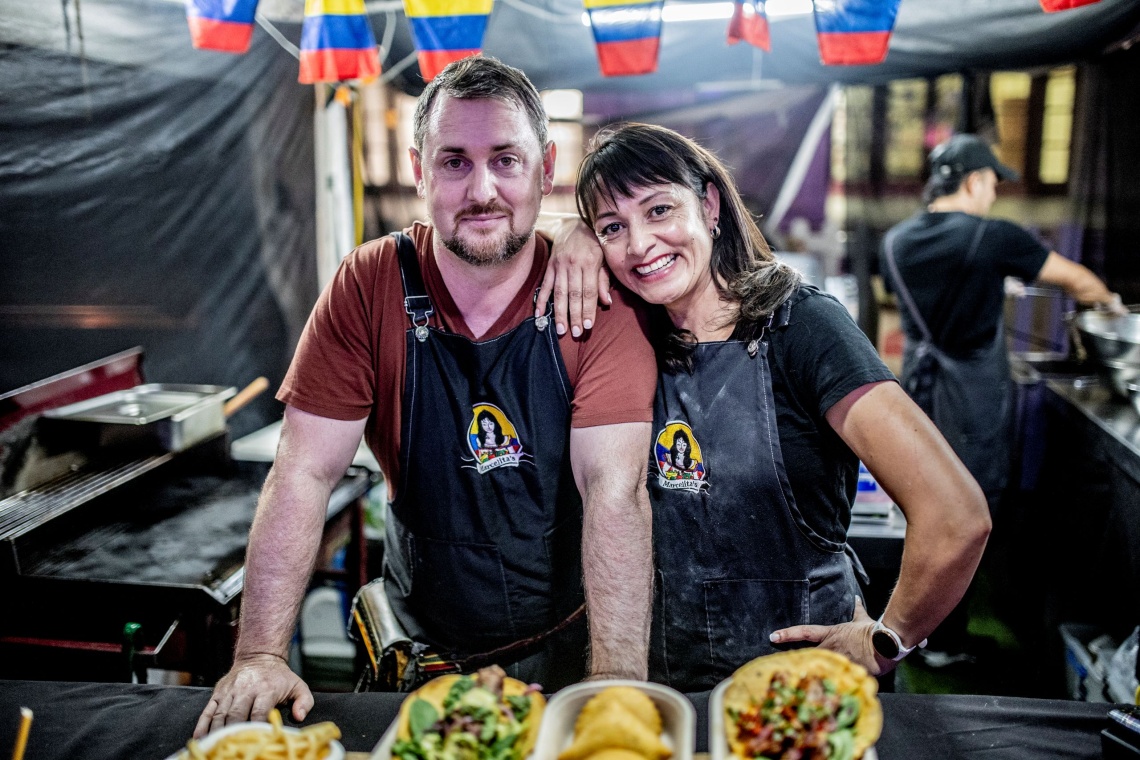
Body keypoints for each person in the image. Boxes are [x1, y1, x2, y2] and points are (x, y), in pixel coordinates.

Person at [195, 57, 657, 738]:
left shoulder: (593, 301)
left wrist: (616, 683)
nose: (482, 189)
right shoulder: (368, 286)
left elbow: (615, 493)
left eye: (506, 160)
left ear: (546, 166)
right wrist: (261, 654)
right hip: (418, 663)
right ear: (418, 170)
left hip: (567, 660)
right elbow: (303, 472)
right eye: (454, 162)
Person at [566, 122, 991, 692]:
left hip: (804, 693)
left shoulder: (805, 328)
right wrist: (568, 235)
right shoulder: (627, 339)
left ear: (710, 204)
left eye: (660, 210)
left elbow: (955, 515)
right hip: (674, 689)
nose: (640, 245)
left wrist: (888, 639)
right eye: (613, 228)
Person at [879, 133, 1123, 661]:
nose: (993, 195)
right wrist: (1111, 309)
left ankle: (907, 623)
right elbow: (1076, 280)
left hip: (916, 385)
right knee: (968, 510)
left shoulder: (896, 240)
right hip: (970, 394)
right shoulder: (993, 237)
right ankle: (940, 641)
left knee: (920, 499)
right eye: (992, 183)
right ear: (974, 181)